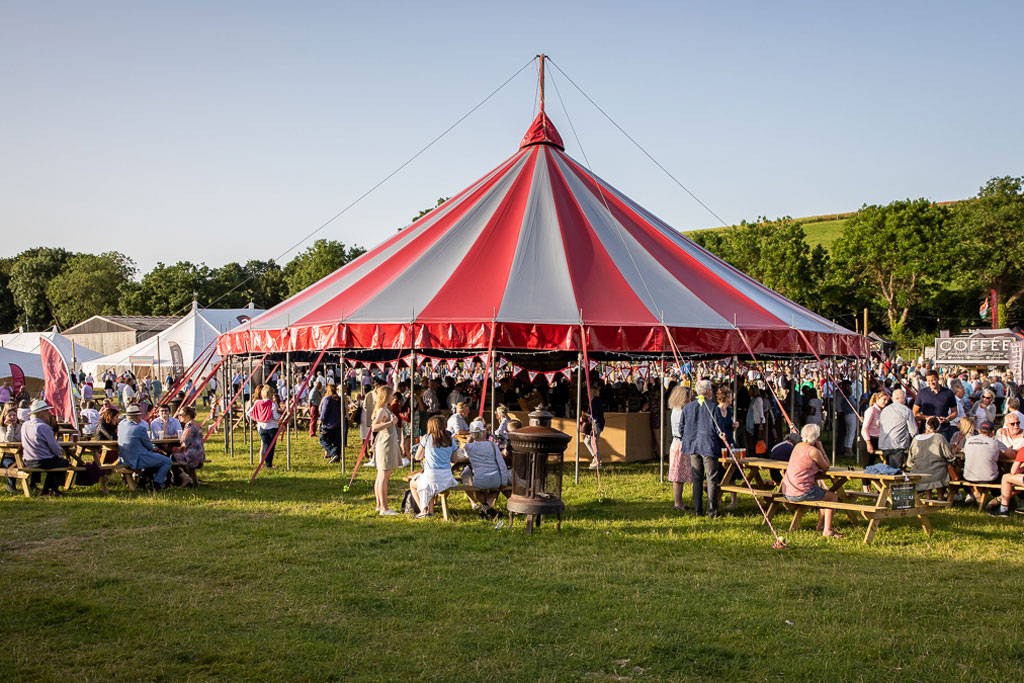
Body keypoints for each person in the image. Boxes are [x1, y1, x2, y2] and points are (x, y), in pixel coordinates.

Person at [780, 423, 844, 538]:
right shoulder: (813, 451)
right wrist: (821, 448)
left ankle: (821, 525)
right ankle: (827, 530)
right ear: (816, 437)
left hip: (788, 491)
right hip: (801, 491)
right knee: (832, 497)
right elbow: (826, 466)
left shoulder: (797, 446)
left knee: (823, 494)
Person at [680, 380, 723, 519]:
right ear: (709, 391)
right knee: (711, 479)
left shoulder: (688, 408)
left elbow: (681, 428)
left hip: (693, 445)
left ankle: (698, 510)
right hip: (708, 446)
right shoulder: (713, 408)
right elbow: (719, 428)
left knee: (697, 478)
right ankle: (712, 510)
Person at [409, 416, 459, 518]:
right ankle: (430, 511)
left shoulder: (427, 438)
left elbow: (417, 457)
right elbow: (455, 459)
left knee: (413, 484)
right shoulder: (450, 439)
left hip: (431, 475)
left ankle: (423, 510)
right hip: (446, 478)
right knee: (429, 484)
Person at [457, 423, 511, 516]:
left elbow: (464, 456)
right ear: (483, 432)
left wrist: (469, 441)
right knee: (495, 490)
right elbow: (502, 465)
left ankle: (485, 506)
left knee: (479, 490)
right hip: (495, 479)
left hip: (480, 480)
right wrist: (504, 481)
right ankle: (487, 507)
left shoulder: (468, 446)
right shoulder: (493, 445)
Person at [20, 400, 71, 496]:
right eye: (46, 411)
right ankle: (53, 488)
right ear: (40, 414)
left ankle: (39, 487)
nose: (48, 414)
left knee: (54, 462)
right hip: (42, 461)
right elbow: (54, 447)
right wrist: (59, 454)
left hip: (27, 460)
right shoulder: (44, 427)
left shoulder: (25, 425)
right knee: (62, 462)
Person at [117, 404, 173, 490]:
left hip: (123, 458)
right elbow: (149, 446)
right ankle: (157, 483)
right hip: (137, 459)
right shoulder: (139, 428)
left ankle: (147, 481)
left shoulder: (121, 425)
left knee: (156, 459)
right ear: (138, 416)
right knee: (167, 461)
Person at [371, 385, 402, 515]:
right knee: (384, 476)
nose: (392, 397)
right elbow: (374, 427)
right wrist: (391, 423)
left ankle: (380, 505)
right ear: (386, 396)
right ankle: (384, 507)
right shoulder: (382, 411)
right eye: (391, 395)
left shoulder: (384, 409)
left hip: (387, 443)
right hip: (385, 445)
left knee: (382, 476)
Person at [906, 416, 957, 495]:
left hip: (919, 472)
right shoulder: (939, 437)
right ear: (938, 427)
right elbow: (949, 456)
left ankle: (928, 496)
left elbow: (909, 461)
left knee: (929, 469)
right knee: (941, 470)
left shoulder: (916, 439)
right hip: (937, 474)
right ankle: (940, 497)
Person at [912, 370, 957, 441]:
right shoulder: (922, 393)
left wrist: (947, 419)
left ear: (938, 379)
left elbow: (954, 412)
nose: (931, 383)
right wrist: (927, 418)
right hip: (926, 429)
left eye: (933, 380)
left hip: (943, 429)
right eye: (928, 381)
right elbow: (915, 412)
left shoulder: (948, 393)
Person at [667, 385, 692, 510]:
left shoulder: (675, 410)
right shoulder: (681, 411)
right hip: (681, 444)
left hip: (677, 443)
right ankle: (678, 503)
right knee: (678, 475)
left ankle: (679, 502)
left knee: (679, 474)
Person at [879, 389, 917, 468]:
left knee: (888, 468)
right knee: (895, 471)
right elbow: (914, 431)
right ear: (903, 398)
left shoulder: (884, 410)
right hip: (898, 444)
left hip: (884, 444)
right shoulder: (906, 411)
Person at [249, 386, 282, 469]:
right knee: (270, 447)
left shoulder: (257, 403)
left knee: (266, 445)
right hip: (272, 427)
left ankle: (265, 463)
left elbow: (249, 413)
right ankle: (268, 465)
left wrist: (257, 419)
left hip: (261, 428)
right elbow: (276, 417)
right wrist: (280, 415)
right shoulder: (272, 405)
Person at [170, 405, 202, 487]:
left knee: (170, 458)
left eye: (180, 415)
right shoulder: (197, 424)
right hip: (199, 453)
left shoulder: (189, 426)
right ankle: (193, 480)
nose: (178, 416)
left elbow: (185, 443)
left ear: (187, 416)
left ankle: (184, 479)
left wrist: (176, 450)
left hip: (192, 454)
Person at [860, 391, 890, 466]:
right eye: (884, 400)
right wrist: (868, 443)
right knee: (867, 464)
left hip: (877, 439)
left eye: (887, 400)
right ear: (877, 400)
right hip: (868, 439)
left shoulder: (883, 411)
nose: (886, 402)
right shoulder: (871, 410)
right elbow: (865, 428)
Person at [318, 383, 343, 464]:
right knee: (336, 442)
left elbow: (324, 412)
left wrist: (320, 422)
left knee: (323, 439)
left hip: (328, 424)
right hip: (338, 424)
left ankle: (333, 453)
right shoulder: (339, 399)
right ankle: (337, 457)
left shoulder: (327, 399)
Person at [584, 384, 605, 470]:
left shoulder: (594, 402)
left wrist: (585, 414)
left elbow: (594, 415)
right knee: (587, 441)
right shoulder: (595, 401)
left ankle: (597, 460)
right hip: (597, 423)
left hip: (596, 424)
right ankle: (595, 458)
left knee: (593, 442)